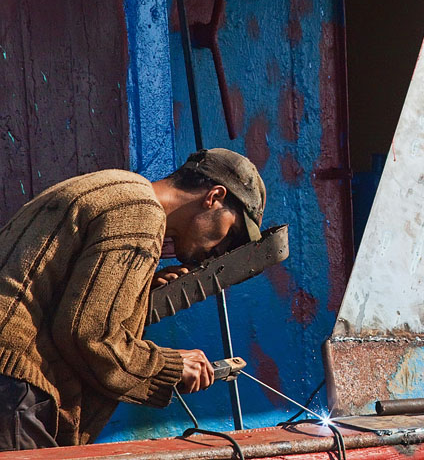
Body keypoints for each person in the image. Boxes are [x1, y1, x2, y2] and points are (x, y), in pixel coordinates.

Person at [0, 148, 266, 450]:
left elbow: (53, 288)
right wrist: (172, 367)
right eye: (230, 234)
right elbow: (90, 335)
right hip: (11, 387)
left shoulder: (117, 188)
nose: (220, 250)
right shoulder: (141, 211)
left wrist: (135, 291)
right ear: (214, 197)